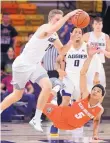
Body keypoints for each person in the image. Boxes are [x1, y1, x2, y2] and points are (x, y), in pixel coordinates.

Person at [0, 9, 83, 132]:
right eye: (57, 20)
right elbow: (54, 28)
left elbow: (62, 51)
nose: (59, 22)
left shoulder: (54, 35)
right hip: (22, 65)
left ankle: (36, 118)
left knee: (48, 86)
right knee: (17, 95)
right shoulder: (44, 28)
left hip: (35, 65)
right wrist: (69, 15)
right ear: (51, 20)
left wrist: (71, 40)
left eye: (60, 20)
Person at [43, 47, 104, 140]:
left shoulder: (99, 109)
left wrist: (95, 134)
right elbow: (82, 73)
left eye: (98, 91)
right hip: (62, 116)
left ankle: (60, 90)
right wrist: (90, 57)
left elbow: (96, 120)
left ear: (101, 96)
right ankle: (57, 87)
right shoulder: (86, 95)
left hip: (72, 125)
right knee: (45, 104)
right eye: (94, 90)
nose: (95, 91)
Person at [50, 28, 102, 136]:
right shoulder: (68, 47)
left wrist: (96, 76)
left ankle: (75, 124)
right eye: (76, 32)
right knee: (65, 101)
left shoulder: (87, 46)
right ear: (71, 34)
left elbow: (96, 59)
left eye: (80, 32)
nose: (78, 34)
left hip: (82, 79)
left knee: (79, 105)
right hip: (68, 79)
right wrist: (59, 70)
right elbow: (58, 60)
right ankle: (55, 124)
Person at [83, 17, 110, 88]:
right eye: (96, 24)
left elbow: (109, 55)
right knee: (88, 88)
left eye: (100, 24)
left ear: (102, 25)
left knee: (100, 89)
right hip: (89, 65)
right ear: (93, 25)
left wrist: (102, 50)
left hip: (100, 64)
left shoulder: (106, 37)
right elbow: (79, 49)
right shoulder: (87, 35)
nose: (98, 25)